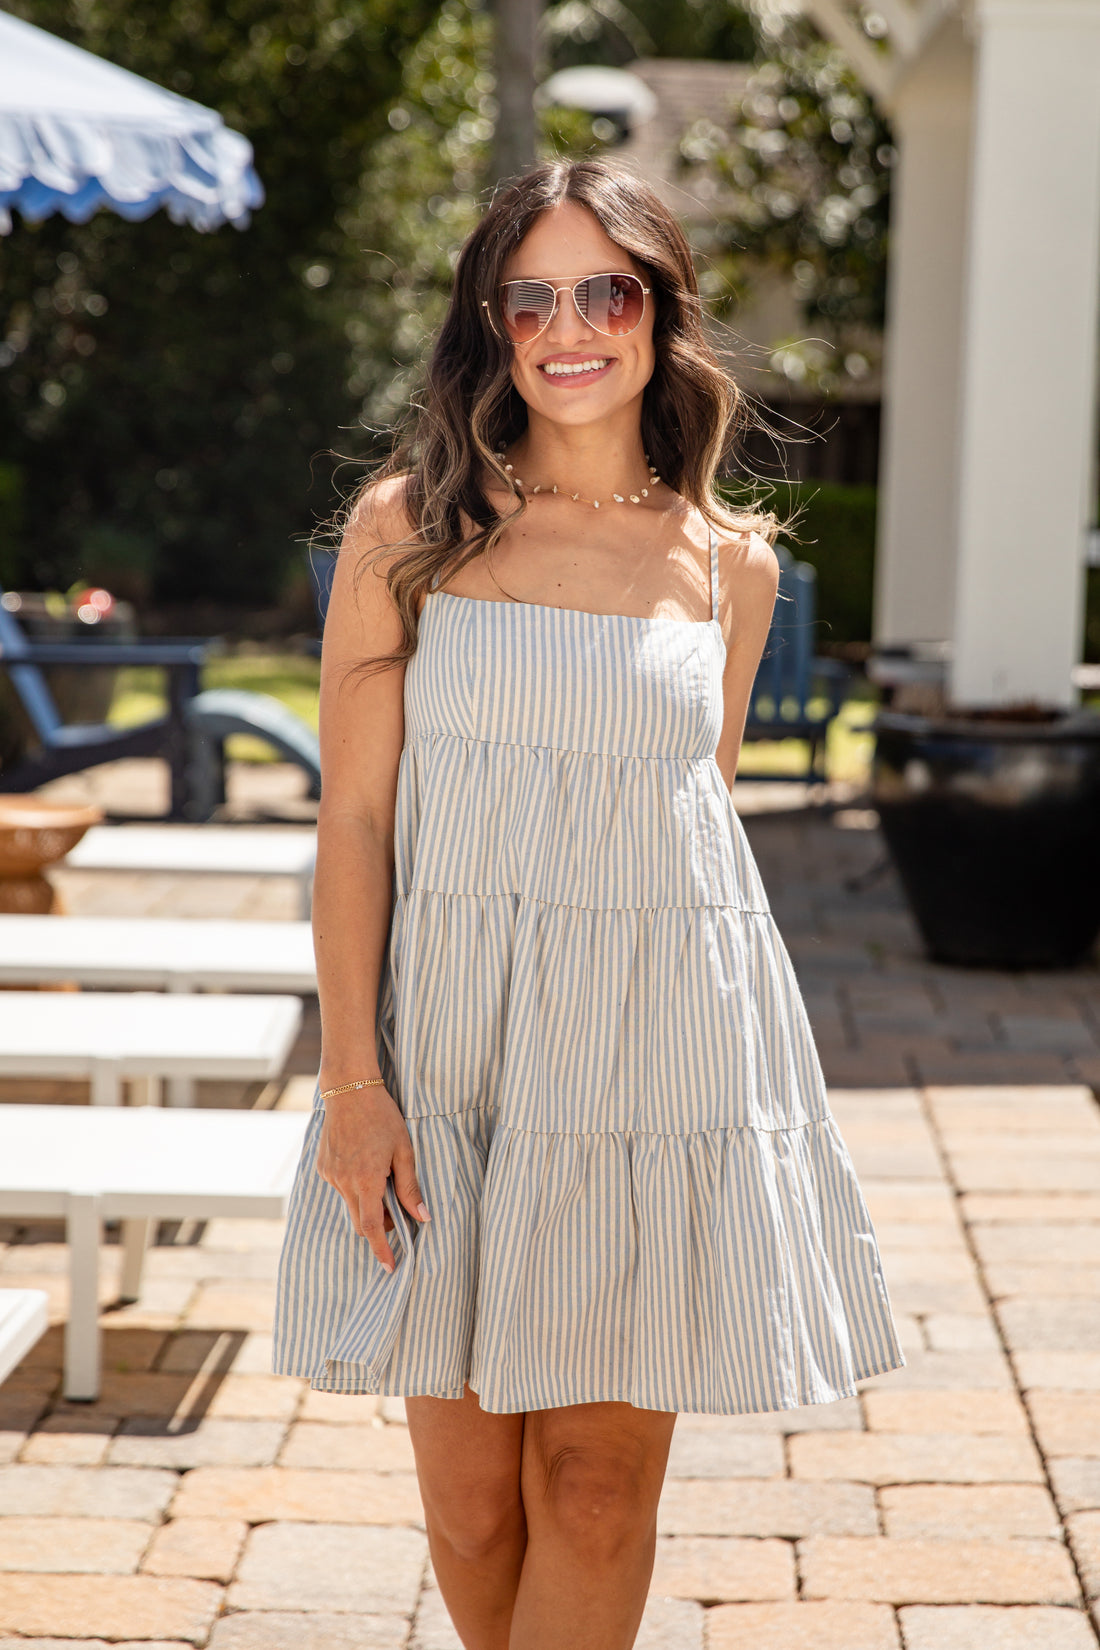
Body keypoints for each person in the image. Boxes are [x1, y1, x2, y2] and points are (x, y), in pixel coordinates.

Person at [273, 158, 904, 1650]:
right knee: (476, 1504)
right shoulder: (406, 529)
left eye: (606, 290)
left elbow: (691, 825)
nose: (571, 326)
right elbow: (354, 815)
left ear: (658, 316)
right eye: (531, 295)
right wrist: (353, 1084)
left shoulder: (729, 565)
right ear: (490, 327)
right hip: (452, 1047)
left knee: (600, 1489)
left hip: (647, 1061)